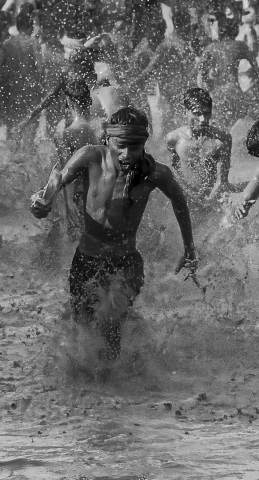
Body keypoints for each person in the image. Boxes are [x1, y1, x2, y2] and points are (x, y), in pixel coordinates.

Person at [29, 107, 197, 362]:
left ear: (144, 143)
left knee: (110, 322)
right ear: (108, 139)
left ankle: (116, 376)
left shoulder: (155, 173)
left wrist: (189, 248)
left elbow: (179, 201)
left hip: (125, 262)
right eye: (121, 146)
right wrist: (39, 203)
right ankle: (89, 376)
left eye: (135, 147)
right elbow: (55, 184)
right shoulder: (90, 156)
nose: (127, 154)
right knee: (82, 324)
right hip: (86, 259)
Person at [165, 88, 232, 201]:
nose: (203, 119)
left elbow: (222, 182)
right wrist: (189, 196)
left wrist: (208, 202)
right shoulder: (173, 139)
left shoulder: (222, 140)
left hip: (214, 196)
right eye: (197, 113)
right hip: (186, 196)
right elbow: (174, 174)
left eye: (207, 113)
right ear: (185, 112)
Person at [53, 80, 100, 237]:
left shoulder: (64, 132)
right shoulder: (103, 125)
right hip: (104, 187)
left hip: (79, 190)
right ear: (89, 100)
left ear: (68, 102)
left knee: (78, 235)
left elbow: (67, 169)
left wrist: (69, 201)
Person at [0, 6, 42, 148]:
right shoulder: (33, 43)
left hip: (12, 89)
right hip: (29, 89)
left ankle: (12, 152)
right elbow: (40, 67)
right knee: (29, 122)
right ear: (29, 26)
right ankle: (28, 151)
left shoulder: (7, 44)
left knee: (12, 124)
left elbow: (3, 69)